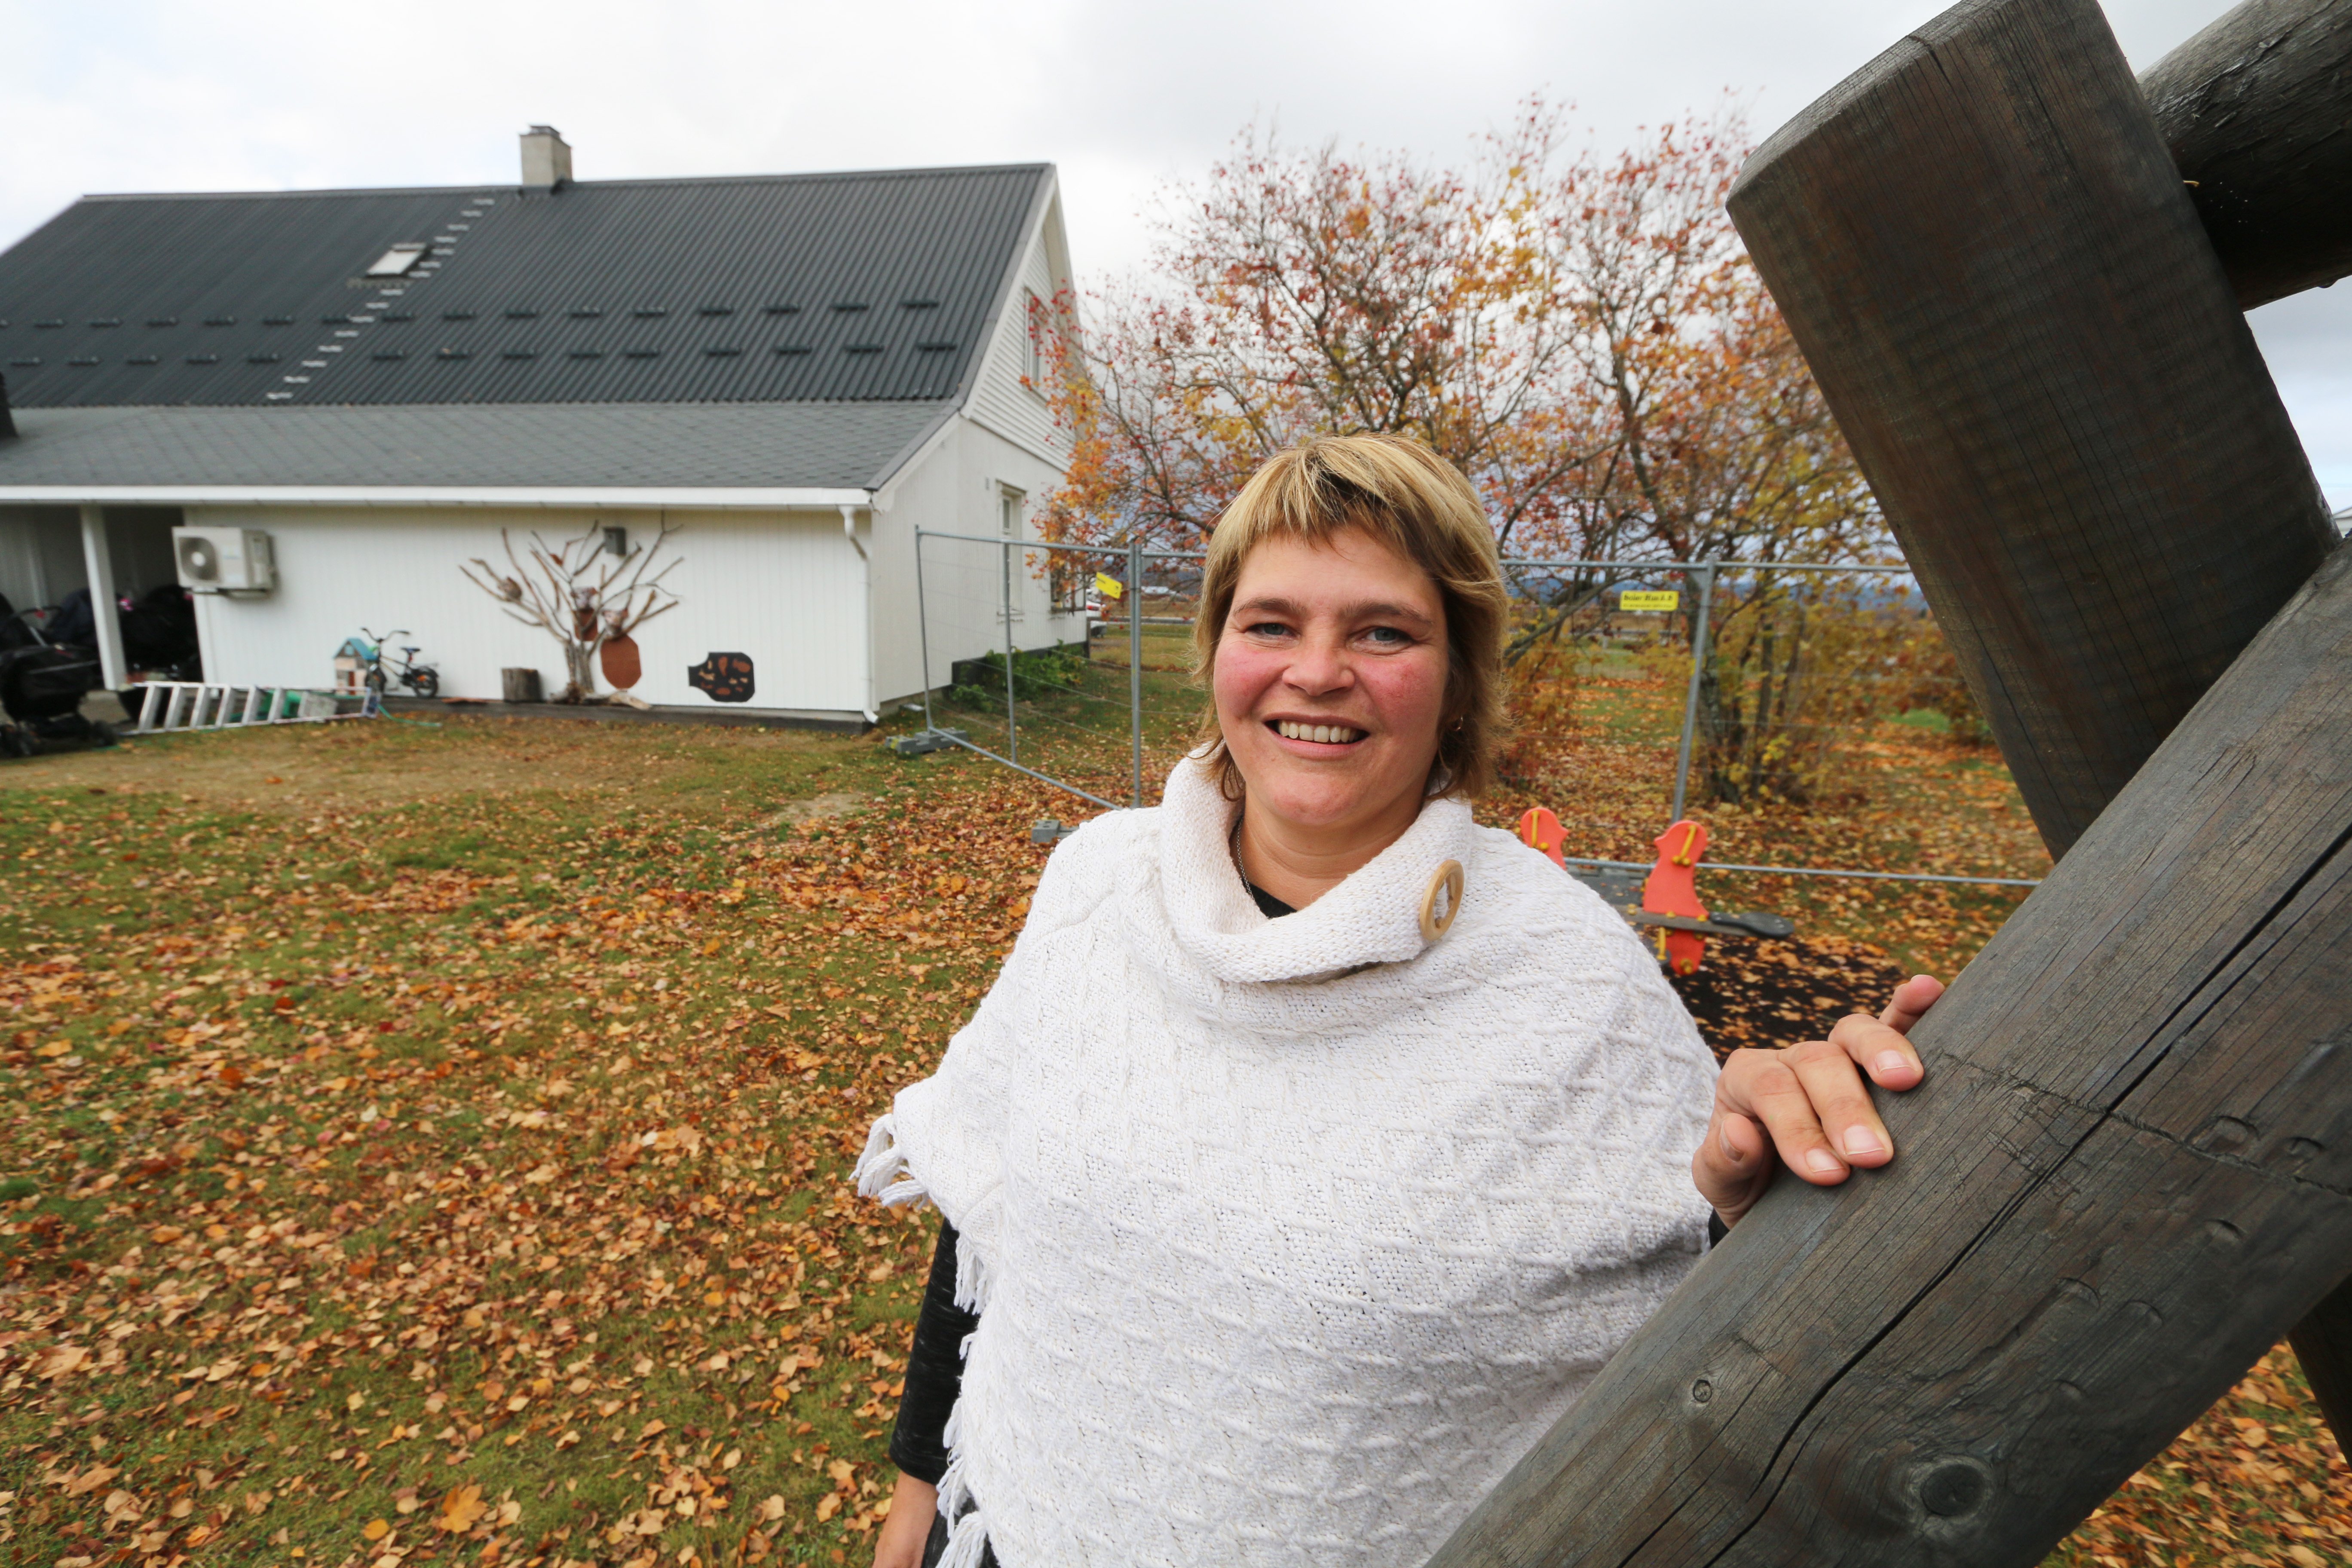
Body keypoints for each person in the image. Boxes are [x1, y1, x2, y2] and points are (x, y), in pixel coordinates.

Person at [857, 434, 1939, 1568]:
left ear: (1461, 679)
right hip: (1007, 1524)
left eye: (1383, 632)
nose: (1317, 673)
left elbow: (1707, 1312)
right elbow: (991, 1217)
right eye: (1270, 623)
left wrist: (1800, 1182)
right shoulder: (1096, 886)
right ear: (1217, 649)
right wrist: (917, 1497)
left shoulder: (1571, 981)